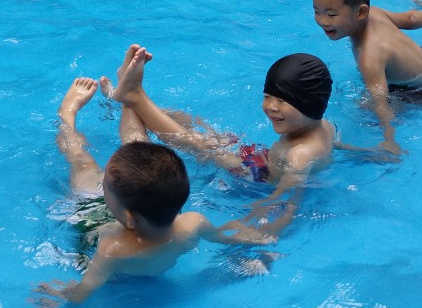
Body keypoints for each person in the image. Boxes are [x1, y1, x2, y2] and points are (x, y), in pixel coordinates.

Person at [34, 71, 270, 307]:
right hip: (143, 203)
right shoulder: (193, 223)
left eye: (105, 185)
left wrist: (60, 296)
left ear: (129, 218)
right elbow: (222, 237)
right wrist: (254, 240)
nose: (102, 182)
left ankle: (67, 114)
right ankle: (126, 96)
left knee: (80, 160)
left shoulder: (112, 250)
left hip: (94, 216)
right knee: (138, 151)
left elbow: (83, 291)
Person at [106, 45, 335, 204]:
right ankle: (131, 96)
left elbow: (286, 200)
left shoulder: (299, 155)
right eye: (267, 96)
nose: (271, 107)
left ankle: (133, 96)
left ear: (309, 105)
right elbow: (334, 144)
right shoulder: (325, 126)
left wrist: (262, 225)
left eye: (282, 101)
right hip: (260, 157)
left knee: (201, 145)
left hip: (256, 180)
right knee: (194, 123)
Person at [312, 0, 422, 157]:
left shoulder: (368, 56)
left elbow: (380, 100)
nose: (322, 21)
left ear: (361, 12)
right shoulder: (375, 12)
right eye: (317, 11)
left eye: (331, 14)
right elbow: (410, 18)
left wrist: (389, 139)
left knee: (364, 108)